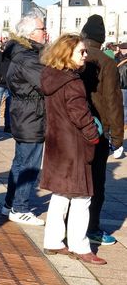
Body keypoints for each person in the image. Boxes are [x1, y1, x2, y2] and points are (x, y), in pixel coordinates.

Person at [39, 34, 105, 265]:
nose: (85, 55)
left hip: (57, 143)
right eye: (81, 52)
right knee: (81, 197)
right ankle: (80, 245)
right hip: (73, 145)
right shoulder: (72, 81)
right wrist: (93, 136)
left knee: (60, 194)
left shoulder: (50, 76)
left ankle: (54, 241)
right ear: (67, 53)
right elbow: (80, 115)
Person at [78, 15, 123, 246]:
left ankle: (71, 226)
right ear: (102, 39)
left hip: (76, 128)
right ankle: (92, 228)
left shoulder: (76, 57)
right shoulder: (107, 63)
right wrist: (118, 136)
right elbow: (113, 101)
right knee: (96, 182)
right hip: (99, 130)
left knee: (75, 181)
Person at [3, 15, 48, 225]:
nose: (45, 32)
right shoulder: (28, 57)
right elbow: (46, 83)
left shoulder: (21, 53)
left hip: (25, 112)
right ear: (30, 34)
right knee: (29, 163)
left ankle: (10, 203)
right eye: (42, 28)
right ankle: (19, 207)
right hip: (31, 114)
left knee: (20, 162)